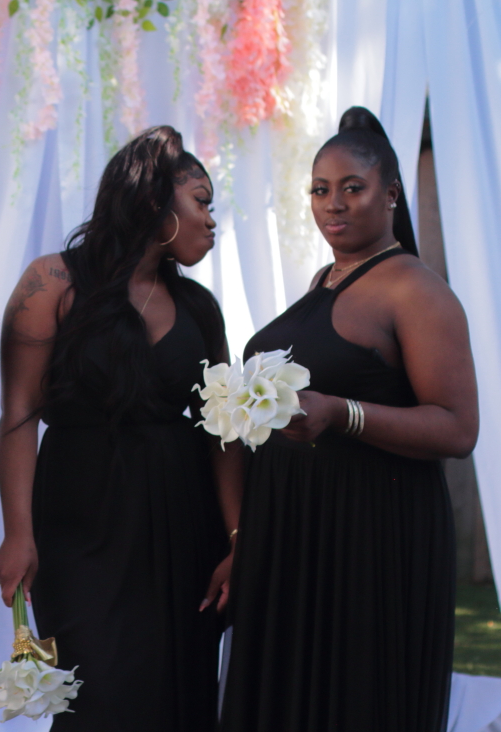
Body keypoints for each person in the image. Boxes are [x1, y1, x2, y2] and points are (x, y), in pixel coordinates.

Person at [220, 107, 477, 732]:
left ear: (390, 194)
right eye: (319, 189)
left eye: (352, 188)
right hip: (295, 530)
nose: (333, 204)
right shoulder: (324, 280)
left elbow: (456, 428)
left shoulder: (416, 290)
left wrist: (343, 414)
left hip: (371, 534)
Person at [0, 126, 242, 731]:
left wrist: (239, 539)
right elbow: (19, 412)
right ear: (155, 198)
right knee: (93, 691)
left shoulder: (200, 308)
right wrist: (18, 534)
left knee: (178, 692)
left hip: (183, 520)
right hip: (81, 517)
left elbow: (222, 433)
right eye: (201, 202)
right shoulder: (51, 282)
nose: (212, 219)